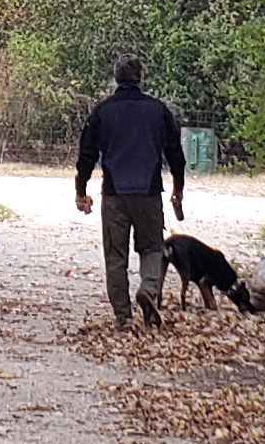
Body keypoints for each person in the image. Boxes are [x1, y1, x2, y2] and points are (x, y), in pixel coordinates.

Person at [73, 56, 185, 324]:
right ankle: (148, 290)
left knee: (115, 255)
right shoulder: (157, 110)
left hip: (114, 192)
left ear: (116, 78)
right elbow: (175, 153)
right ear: (140, 77)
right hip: (149, 191)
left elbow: (86, 154)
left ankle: (123, 317)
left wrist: (81, 190)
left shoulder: (103, 111)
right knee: (152, 248)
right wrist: (178, 188)